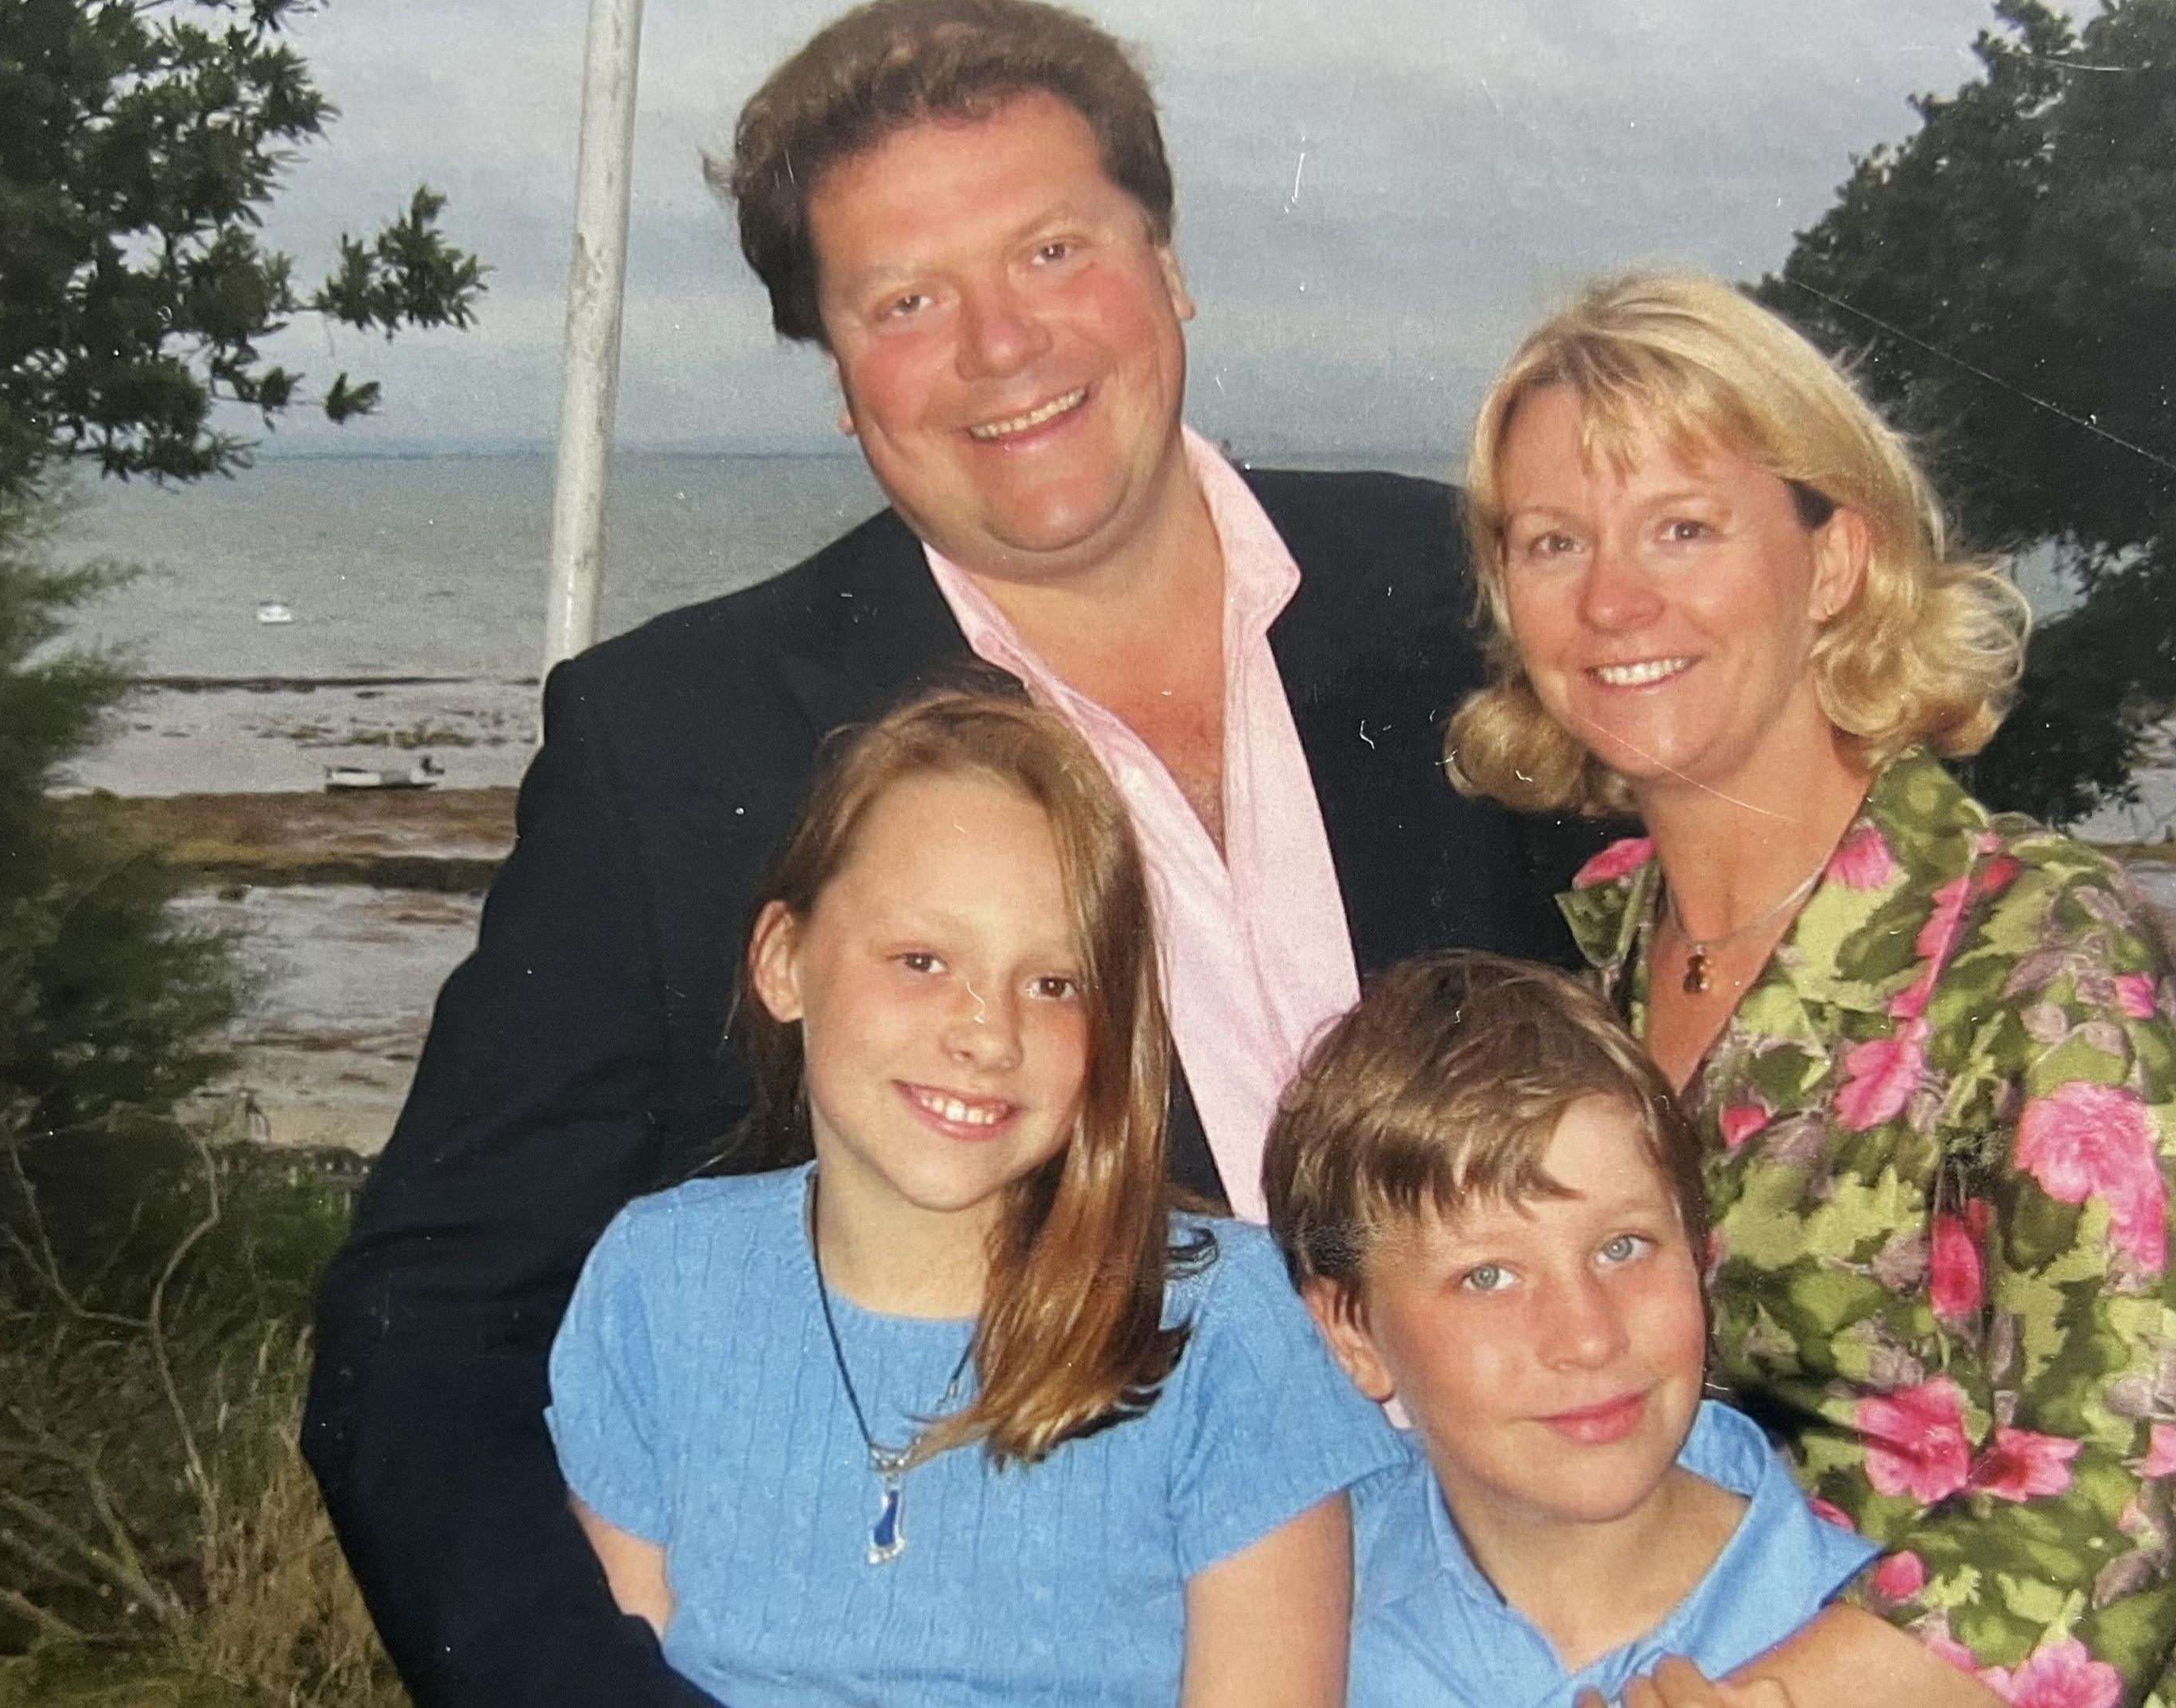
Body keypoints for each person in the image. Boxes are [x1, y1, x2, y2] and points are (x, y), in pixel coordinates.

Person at [303, 4, 1581, 1702]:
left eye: (1052, 250)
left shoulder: (1473, 596)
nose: (998, 345)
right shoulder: (680, 746)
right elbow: (427, 1332)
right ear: (842, 381)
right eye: (903, 301)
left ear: (1168, 263)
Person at [1443, 274, 2176, 1707]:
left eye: (1684, 528)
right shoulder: (1581, 969)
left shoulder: (2036, 948)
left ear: (1834, 564)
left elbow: (2132, 1476)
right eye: (1554, 542)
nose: (1613, 600)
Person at [547, 691, 1388, 1706]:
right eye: (922, 962)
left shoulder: (1221, 1322)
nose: (988, 1035)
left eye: (1054, 983)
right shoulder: (662, 1281)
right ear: (783, 962)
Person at [1264, 951, 1999, 1708]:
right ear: (1352, 1333)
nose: (1589, 1337)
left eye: (1622, 1249)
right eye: (1488, 1277)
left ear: (1698, 1252)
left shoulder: (1882, 1653)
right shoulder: (1284, 1620)